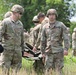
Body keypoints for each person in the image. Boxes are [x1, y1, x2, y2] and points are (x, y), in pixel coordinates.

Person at [40, 9, 70, 75]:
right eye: (50, 15)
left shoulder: (60, 25)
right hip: (48, 52)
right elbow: (42, 40)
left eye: (53, 14)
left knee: (58, 70)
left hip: (58, 52)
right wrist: (42, 52)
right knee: (47, 70)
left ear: (55, 15)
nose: (51, 16)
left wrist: (66, 49)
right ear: (48, 16)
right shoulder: (45, 27)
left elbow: (66, 38)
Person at [0, 4, 24, 75]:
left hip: (17, 51)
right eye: (20, 13)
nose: (21, 15)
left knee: (17, 70)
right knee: (4, 70)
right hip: (7, 50)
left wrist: (22, 49)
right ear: (15, 13)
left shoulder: (20, 24)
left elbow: (22, 38)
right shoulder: (6, 22)